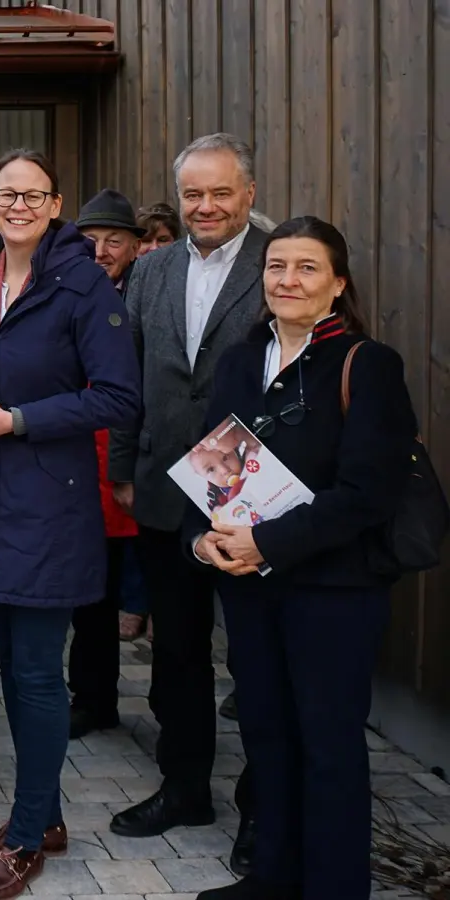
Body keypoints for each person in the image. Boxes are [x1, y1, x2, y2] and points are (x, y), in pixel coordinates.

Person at [0, 149, 140, 899]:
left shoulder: (83, 286)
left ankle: (26, 836)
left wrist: (19, 419)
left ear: (55, 206)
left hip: (49, 503)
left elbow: (118, 396)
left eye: (34, 195)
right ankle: (42, 816)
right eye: (7, 194)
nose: (19, 205)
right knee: (11, 669)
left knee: (37, 674)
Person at [190, 217, 417, 900]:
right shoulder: (240, 360)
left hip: (333, 592)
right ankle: (274, 877)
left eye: (307, 267)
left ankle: (333, 888)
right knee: (266, 735)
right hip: (251, 589)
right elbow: (211, 467)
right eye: (277, 266)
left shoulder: (366, 365)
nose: (288, 280)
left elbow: (367, 494)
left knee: (328, 748)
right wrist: (204, 539)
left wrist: (266, 542)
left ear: (338, 283)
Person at [106, 134, 268, 872]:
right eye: (193, 194)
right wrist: (123, 467)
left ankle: (263, 808)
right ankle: (185, 786)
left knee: (258, 659)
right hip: (165, 488)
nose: (205, 206)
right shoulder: (153, 268)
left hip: (252, 499)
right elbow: (130, 374)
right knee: (176, 651)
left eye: (220, 193)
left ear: (249, 195)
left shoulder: (278, 263)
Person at [65, 188, 148, 740]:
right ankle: (92, 698)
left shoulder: (145, 297)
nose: (100, 251)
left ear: (134, 248)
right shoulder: (66, 295)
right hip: (78, 462)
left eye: (113, 240)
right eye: (90, 240)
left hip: (133, 464)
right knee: (88, 595)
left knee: (132, 583)